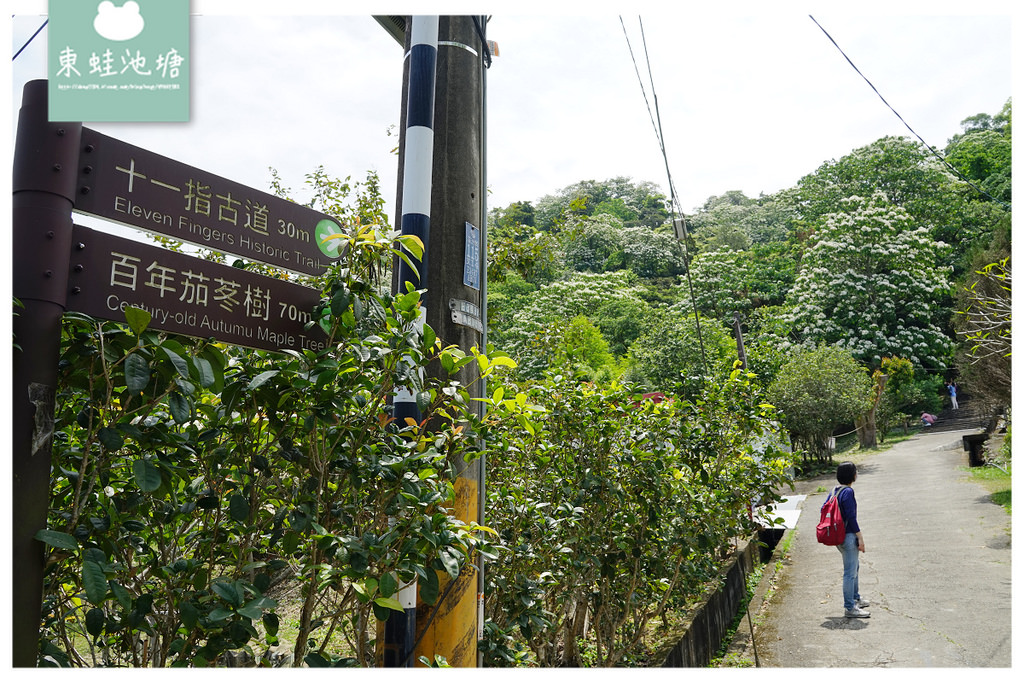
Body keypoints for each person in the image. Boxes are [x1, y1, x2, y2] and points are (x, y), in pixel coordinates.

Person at [823, 461, 869, 618]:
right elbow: (851, 517)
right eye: (856, 471)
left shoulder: (835, 490)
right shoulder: (848, 492)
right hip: (848, 537)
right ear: (853, 475)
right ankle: (850, 608)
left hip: (838, 536)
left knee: (854, 568)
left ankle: (856, 598)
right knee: (850, 572)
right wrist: (860, 537)